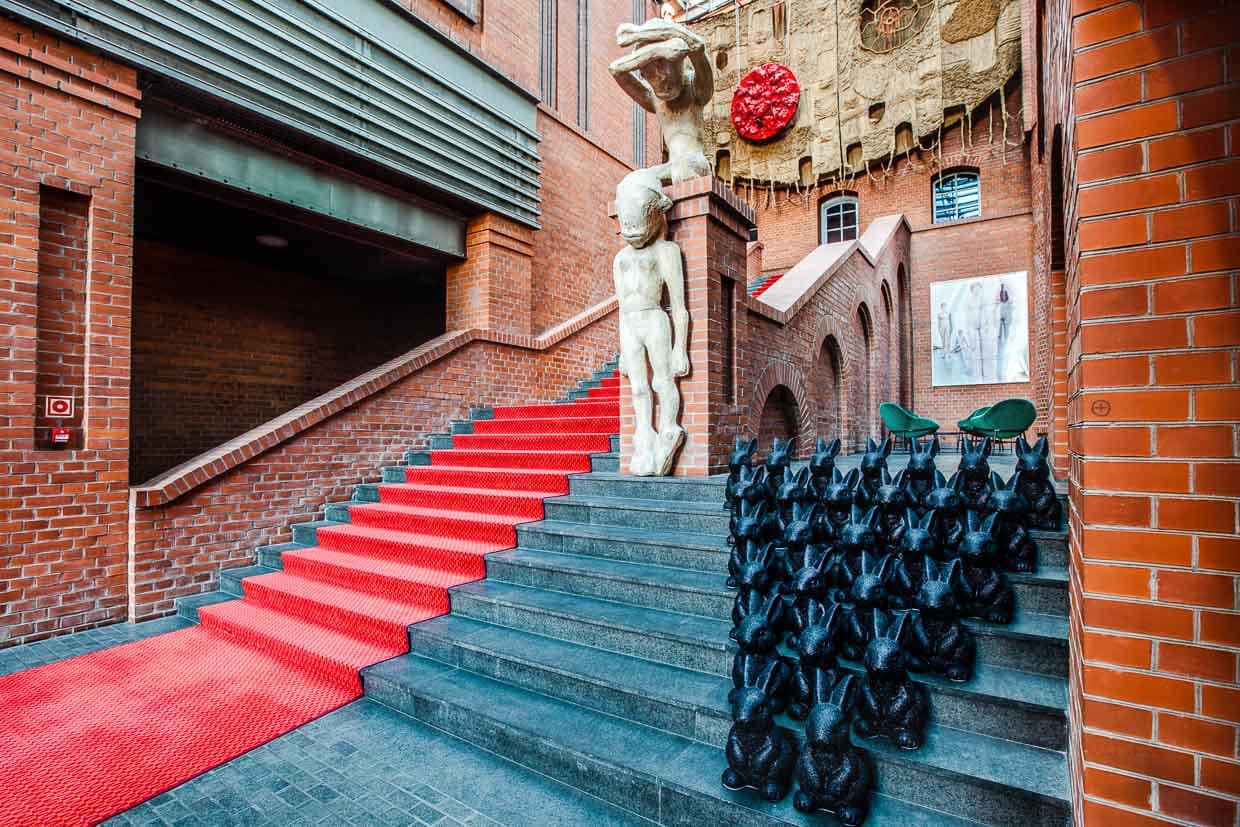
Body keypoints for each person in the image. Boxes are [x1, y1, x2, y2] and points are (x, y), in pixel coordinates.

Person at [613, 168, 690, 475]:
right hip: (629, 324)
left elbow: (680, 306)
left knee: (661, 380)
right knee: (638, 387)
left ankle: (669, 428)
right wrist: (620, 349)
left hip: (655, 319)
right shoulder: (620, 258)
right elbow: (620, 306)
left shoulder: (666, 251)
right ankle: (644, 435)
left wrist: (680, 348)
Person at [610, 18, 713, 183]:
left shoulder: (696, 87)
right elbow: (615, 70)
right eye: (649, 71)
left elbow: (697, 46)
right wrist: (658, 51)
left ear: (679, 62)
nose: (660, 77)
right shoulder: (652, 98)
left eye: (663, 64)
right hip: (671, 167)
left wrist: (642, 36)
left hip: (694, 163)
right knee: (633, 183)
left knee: (683, 169)